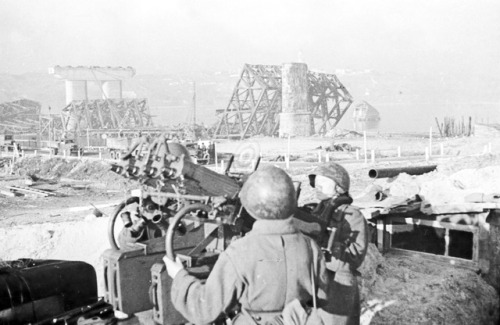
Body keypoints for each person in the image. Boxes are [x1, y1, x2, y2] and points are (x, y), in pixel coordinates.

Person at [164, 165, 330, 325]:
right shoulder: (310, 246)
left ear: (251, 205)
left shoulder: (240, 251)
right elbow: (322, 295)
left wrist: (179, 276)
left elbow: (204, 309)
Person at [295, 162, 369, 325]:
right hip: (314, 281)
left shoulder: (352, 215)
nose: (317, 186)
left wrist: (326, 244)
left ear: (339, 187)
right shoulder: (314, 211)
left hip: (337, 286)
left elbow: (356, 256)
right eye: (316, 182)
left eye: (324, 182)